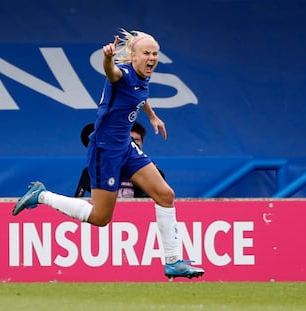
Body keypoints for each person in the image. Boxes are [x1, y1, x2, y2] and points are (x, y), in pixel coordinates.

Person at [12, 29, 204, 280]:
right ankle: (42, 195)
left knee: (166, 195)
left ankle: (173, 262)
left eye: (155, 53)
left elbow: (139, 95)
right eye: (146, 53)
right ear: (133, 56)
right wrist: (107, 59)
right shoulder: (121, 73)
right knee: (101, 217)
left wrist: (152, 116)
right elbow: (111, 73)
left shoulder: (142, 76)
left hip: (125, 145)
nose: (152, 57)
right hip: (105, 150)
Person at [74, 121, 165, 198]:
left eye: (135, 140)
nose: (131, 145)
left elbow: (161, 193)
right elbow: (79, 199)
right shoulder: (93, 170)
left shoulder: (148, 169)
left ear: (142, 142)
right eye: (126, 141)